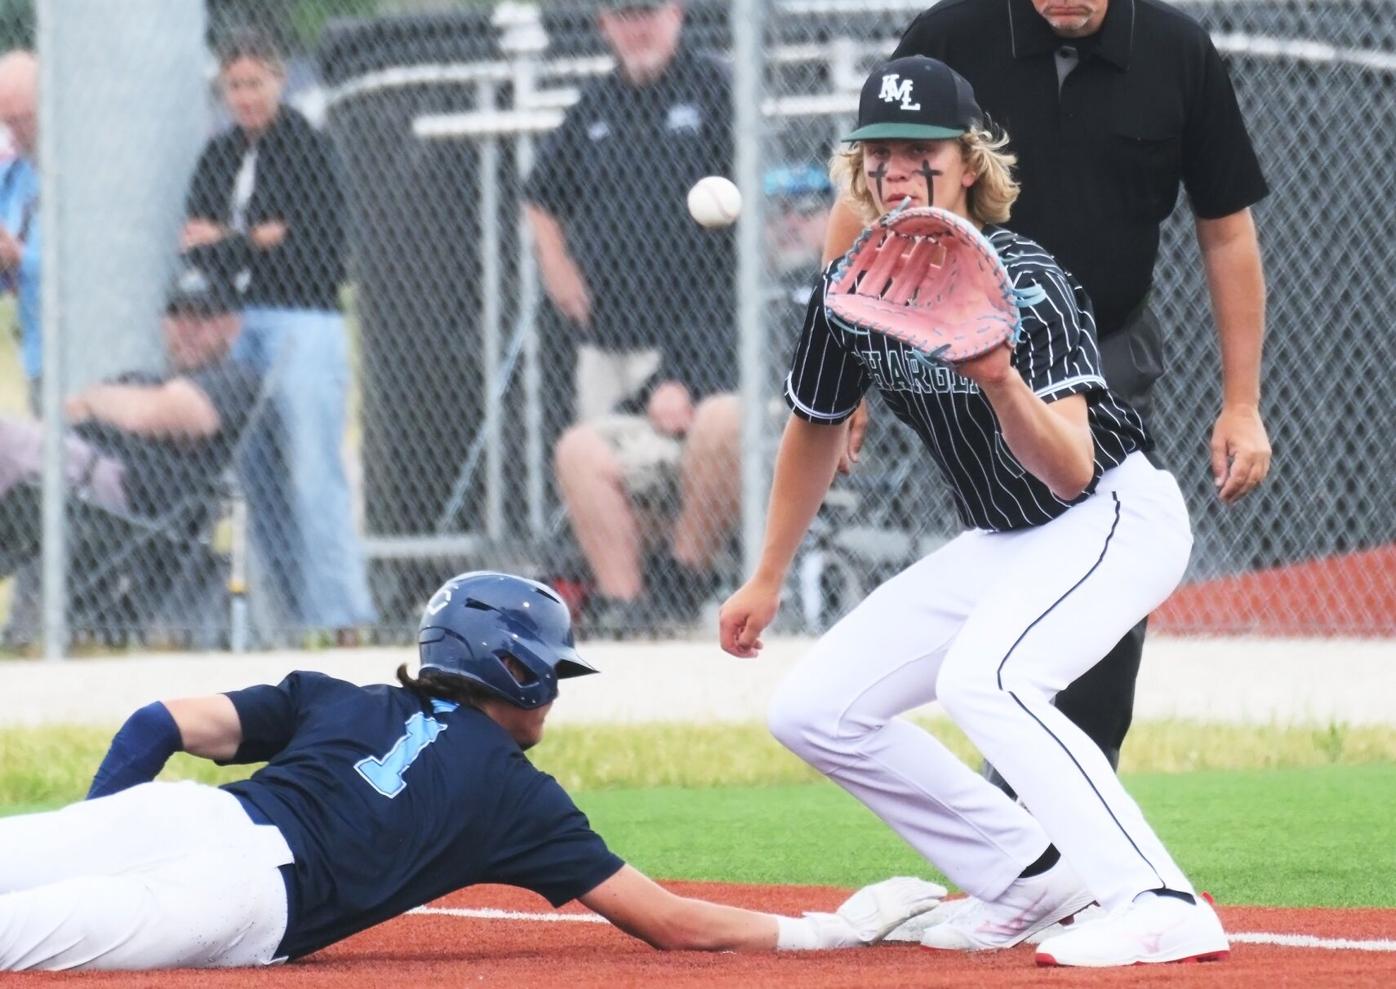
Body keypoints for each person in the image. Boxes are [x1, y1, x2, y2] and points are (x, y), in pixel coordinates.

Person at [720, 57, 1229, 967]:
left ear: (967, 163)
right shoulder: (850, 290)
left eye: (921, 151)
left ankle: (1159, 898)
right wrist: (766, 572)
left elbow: (1073, 470)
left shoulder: (1023, 275)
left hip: (1114, 513)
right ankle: (1027, 875)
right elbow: (812, 429)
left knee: (986, 679)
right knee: (813, 708)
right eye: (880, 153)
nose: (896, 171)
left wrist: (997, 378)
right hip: (1004, 538)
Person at [0, 570, 944, 970]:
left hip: (185, 819)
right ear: (518, 671)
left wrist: (104, 831)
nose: (556, 694)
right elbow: (671, 924)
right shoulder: (514, 795)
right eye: (552, 673)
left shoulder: (338, 694)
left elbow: (157, 720)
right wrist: (824, 933)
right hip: (242, 905)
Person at [822, 0, 1272, 790]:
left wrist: (1242, 402)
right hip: (963, 344)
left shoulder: (1178, 51)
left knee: (1102, 564)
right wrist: (846, 374)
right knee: (1011, 552)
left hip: (1105, 350)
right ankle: (1019, 793)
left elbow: (1226, 229)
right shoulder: (949, 37)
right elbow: (861, 202)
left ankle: (1070, 788)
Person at [526, 1, 739, 634]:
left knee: (713, 437)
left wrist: (686, 370)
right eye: (622, 14)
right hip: (609, 345)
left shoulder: (715, 89)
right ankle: (632, 613)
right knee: (604, 469)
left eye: (647, 10)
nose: (637, 26)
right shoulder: (595, 104)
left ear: (676, 13)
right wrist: (558, 268)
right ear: (603, 25)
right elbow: (541, 196)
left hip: (702, 339)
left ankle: (683, 587)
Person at [182, 27, 374, 639]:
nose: (245, 97)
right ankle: (288, 617)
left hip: (302, 322)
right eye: (234, 86)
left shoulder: (308, 148)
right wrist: (251, 241)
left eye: (255, 83)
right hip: (237, 324)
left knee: (313, 467)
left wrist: (230, 244)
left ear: (278, 79)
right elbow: (197, 243)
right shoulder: (219, 155)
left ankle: (342, 613)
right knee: (256, 474)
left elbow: (311, 252)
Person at [0, 243, 260, 544]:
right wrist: (108, 405)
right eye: (178, 315)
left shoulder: (235, 380)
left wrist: (97, 400)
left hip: (124, 490)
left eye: (203, 317)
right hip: (70, 471)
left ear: (232, 326)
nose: (189, 328)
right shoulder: (140, 378)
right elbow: (67, 411)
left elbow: (157, 414)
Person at [0, 50, 40, 413]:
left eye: (22, 119)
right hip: (35, 351)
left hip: (85, 351)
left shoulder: (83, 172)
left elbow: (91, 262)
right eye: (6, 122)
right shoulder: (15, 176)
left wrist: (21, 258)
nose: (14, 133)